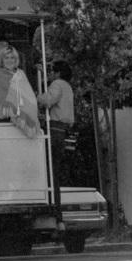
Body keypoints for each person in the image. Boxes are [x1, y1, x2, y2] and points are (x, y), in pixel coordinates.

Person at [0, 46, 41, 138]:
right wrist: (10, 108)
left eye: (12, 58)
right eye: (6, 58)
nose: (9, 60)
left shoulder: (20, 74)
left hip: (21, 123)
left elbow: (29, 97)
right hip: (3, 122)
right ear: (2, 59)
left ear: (16, 59)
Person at [37, 60, 75, 203]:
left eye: (52, 71)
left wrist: (37, 96)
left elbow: (48, 100)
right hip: (64, 130)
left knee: (50, 172)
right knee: (55, 170)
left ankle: (54, 207)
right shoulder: (68, 87)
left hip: (54, 129)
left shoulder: (57, 84)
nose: (51, 74)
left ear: (58, 73)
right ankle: (57, 211)